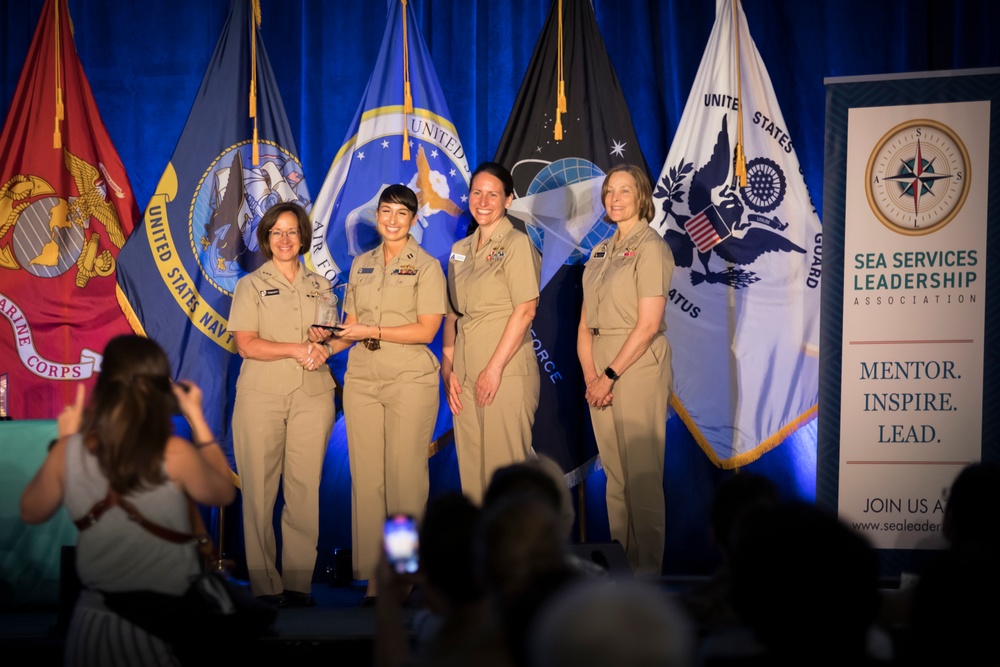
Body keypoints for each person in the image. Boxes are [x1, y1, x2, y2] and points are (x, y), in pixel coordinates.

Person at [20, 335, 236, 666]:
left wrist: (65, 441)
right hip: (160, 624)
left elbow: (32, 511)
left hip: (93, 625)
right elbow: (223, 492)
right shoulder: (173, 453)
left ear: (105, 383)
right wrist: (199, 419)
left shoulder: (70, 451)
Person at [314, 184, 446, 604]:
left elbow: (427, 330)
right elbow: (351, 327)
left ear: (412, 219)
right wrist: (324, 341)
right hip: (363, 380)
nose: (391, 220)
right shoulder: (361, 264)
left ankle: (403, 573)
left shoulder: (426, 266)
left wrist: (370, 330)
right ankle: (374, 576)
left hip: (409, 378)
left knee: (405, 481)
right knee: (368, 481)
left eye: (401, 213)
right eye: (385, 211)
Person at [229, 201, 337, 606]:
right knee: (259, 491)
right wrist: (299, 348)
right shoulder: (250, 285)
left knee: (304, 490)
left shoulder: (322, 285)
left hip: (314, 395)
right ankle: (265, 585)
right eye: (277, 232)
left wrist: (323, 348)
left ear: (303, 237)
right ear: (266, 238)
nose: (285, 239)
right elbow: (246, 344)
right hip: (261, 398)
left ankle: (296, 583)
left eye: (292, 232)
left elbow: (330, 337)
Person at [576, 164, 674, 576]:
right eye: (609, 192)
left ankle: (646, 576)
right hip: (599, 363)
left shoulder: (651, 246)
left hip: (634, 363)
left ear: (641, 198)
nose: (615, 199)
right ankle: (621, 571)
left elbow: (649, 324)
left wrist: (609, 376)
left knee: (641, 477)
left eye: (625, 191)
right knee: (615, 476)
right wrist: (590, 378)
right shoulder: (599, 250)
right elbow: (584, 324)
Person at [442, 161, 542, 503]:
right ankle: (482, 557)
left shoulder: (516, 244)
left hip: (505, 373)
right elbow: (454, 314)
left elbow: (526, 309)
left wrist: (494, 369)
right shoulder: (460, 250)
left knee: (506, 483)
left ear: (509, 200)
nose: (483, 201)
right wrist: (448, 369)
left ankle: (514, 557)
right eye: (477, 193)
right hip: (465, 377)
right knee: (473, 482)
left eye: (493, 195)